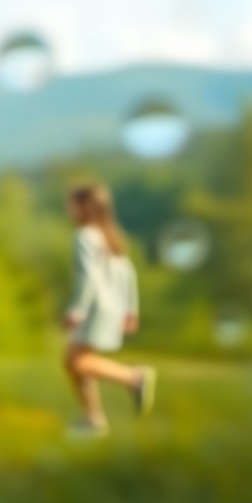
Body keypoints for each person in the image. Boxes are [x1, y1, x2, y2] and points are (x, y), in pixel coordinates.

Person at [63, 184, 156, 438]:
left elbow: (88, 277)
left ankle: (133, 378)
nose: (68, 210)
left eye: (71, 204)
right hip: (113, 307)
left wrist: (78, 309)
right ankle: (93, 419)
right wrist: (131, 308)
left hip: (95, 308)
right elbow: (128, 273)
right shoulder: (109, 235)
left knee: (77, 362)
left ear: (84, 207)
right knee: (75, 362)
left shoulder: (85, 236)